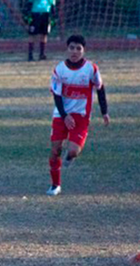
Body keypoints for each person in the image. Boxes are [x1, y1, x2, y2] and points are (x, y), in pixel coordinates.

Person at [46, 34, 109, 196]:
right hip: (61, 115)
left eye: (78, 48)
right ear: (67, 49)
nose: (75, 51)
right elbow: (57, 95)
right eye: (72, 48)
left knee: (73, 151)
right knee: (55, 150)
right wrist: (65, 115)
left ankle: (69, 158)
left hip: (81, 116)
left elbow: (100, 88)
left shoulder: (91, 69)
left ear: (84, 51)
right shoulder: (59, 70)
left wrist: (104, 112)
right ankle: (55, 185)